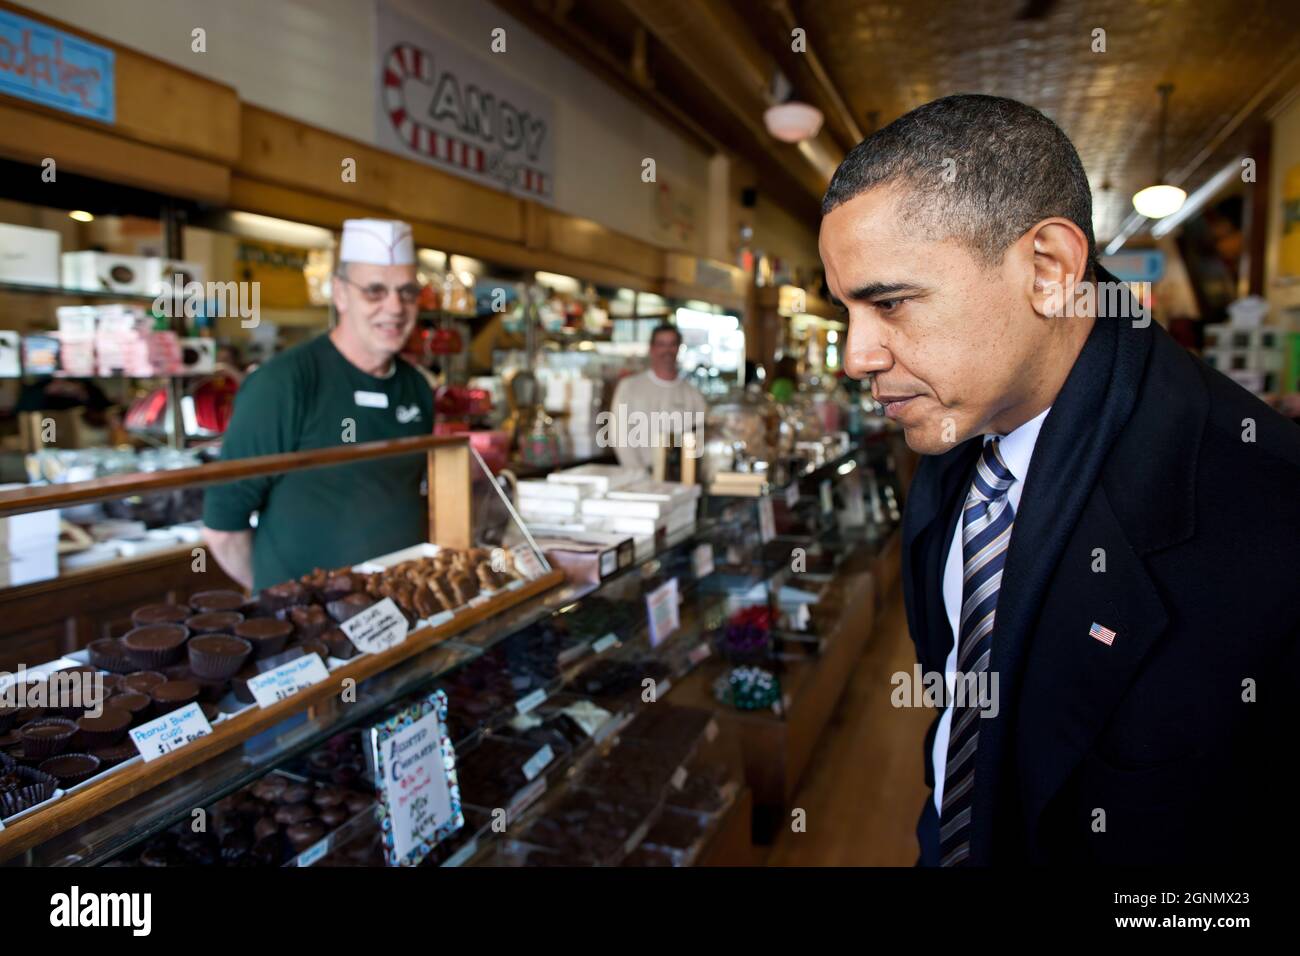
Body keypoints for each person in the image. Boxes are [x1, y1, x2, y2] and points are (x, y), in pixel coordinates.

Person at [819, 94, 1300, 866]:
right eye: (847, 310)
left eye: (891, 302)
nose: (857, 355)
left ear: (1047, 269)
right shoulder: (953, 432)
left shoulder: (1267, 512)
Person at [202, 219, 433, 591]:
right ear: (340, 293)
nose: (395, 307)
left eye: (407, 292)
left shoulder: (417, 386)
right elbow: (223, 528)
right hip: (310, 625)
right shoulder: (284, 383)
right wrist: (283, 602)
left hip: (404, 613)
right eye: (374, 291)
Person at [608, 323, 707, 471]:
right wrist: (639, 474)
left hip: (680, 479)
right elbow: (619, 435)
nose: (667, 350)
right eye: (661, 344)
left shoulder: (693, 394)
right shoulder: (629, 387)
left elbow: (700, 437)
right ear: (652, 348)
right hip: (639, 478)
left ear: (679, 348)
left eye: (672, 344)